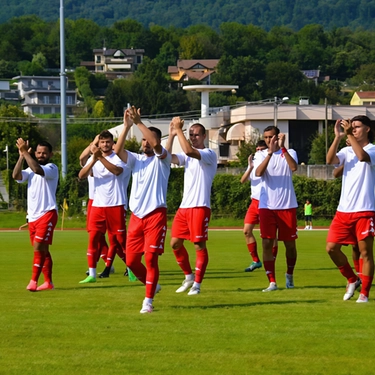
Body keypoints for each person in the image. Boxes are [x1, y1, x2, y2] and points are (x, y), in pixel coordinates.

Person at [115, 107, 171, 313]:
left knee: (150, 258)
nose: (146, 142)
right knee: (131, 261)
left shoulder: (163, 159)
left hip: (155, 215)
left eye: (148, 139)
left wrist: (139, 122)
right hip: (136, 216)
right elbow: (117, 151)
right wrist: (126, 126)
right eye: (143, 140)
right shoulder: (136, 159)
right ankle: (153, 286)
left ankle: (147, 301)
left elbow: (157, 144)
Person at [326, 115, 375, 303]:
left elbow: (363, 157)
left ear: (367, 129)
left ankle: (364, 294)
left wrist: (349, 137)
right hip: (343, 210)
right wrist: (338, 137)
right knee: (331, 248)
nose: (353, 129)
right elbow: (330, 160)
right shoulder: (347, 150)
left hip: (364, 209)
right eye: (351, 127)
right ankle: (352, 279)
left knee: (365, 252)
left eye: (357, 127)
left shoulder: (372, 149)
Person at [166, 117, 217, 295]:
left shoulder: (209, 154)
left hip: (200, 206)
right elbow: (166, 157)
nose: (193, 137)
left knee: (199, 245)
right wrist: (172, 135)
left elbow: (188, 151)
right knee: (174, 244)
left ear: (204, 136)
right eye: (191, 135)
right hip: (184, 207)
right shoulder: (187, 156)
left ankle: (197, 284)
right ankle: (188, 276)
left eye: (196, 135)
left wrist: (179, 130)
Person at [78, 130, 131, 284]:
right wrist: (94, 160)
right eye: (102, 142)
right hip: (98, 204)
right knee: (94, 237)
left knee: (120, 240)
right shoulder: (95, 159)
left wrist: (100, 157)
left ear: (112, 143)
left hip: (115, 204)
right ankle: (92, 274)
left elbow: (117, 171)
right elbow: (81, 175)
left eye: (108, 142)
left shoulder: (118, 158)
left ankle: (131, 267)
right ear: (99, 143)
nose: (105, 144)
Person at [254, 125, 298, 292]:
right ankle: (272, 281)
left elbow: (294, 167)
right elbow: (258, 173)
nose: (268, 140)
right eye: (266, 138)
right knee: (266, 243)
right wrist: (270, 154)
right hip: (267, 206)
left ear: (278, 137)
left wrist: (282, 148)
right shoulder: (261, 154)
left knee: (290, 245)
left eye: (271, 137)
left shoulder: (289, 152)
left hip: (287, 206)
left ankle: (289, 274)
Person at [12, 139, 59, 291]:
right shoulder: (30, 169)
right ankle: (48, 282)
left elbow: (38, 169)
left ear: (50, 154)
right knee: (42, 250)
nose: (41, 155)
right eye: (38, 152)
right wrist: (21, 156)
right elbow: (16, 175)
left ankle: (33, 281)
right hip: (32, 217)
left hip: (47, 213)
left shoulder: (51, 167)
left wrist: (26, 153)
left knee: (38, 247)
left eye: (44, 153)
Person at [241, 140, 279, 272]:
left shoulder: (269, 161)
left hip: (267, 202)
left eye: (261, 149)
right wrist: (250, 167)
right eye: (257, 149)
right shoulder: (255, 162)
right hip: (255, 202)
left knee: (271, 236)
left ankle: (271, 260)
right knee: (246, 230)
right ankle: (256, 260)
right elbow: (243, 180)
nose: (258, 151)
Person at [333, 165, 362, 281]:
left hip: (365, 207)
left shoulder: (369, 151)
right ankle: (356, 277)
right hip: (347, 209)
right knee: (335, 247)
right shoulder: (347, 155)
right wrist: (348, 163)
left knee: (359, 246)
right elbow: (335, 173)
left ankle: (360, 276)